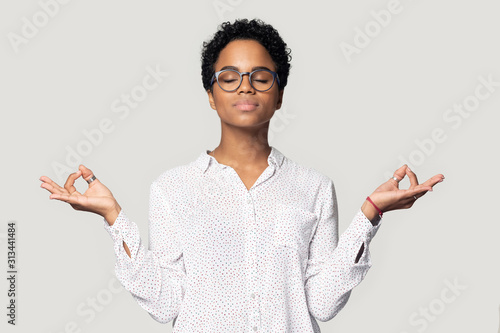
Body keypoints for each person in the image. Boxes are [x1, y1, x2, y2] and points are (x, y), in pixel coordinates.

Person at [40, 18, 444, 332]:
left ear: (279, 94)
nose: (245, 87)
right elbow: (166, 304)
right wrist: (114, 219)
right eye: (229, 77)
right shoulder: (172, 188)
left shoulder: (314, 188)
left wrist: (370, 215)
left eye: (261, 77)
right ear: (211, 96)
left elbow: (322, 304)